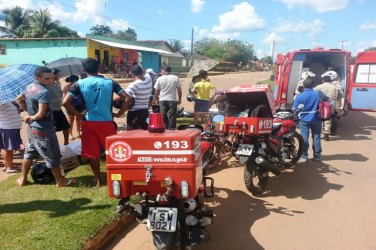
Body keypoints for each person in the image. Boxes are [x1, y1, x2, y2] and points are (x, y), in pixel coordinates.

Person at [63, 58, 128, 187]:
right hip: (107, 122)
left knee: (93, 154)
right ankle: (116, 178)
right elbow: (127, 98)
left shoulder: (78, 84)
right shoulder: (110, 82)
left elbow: (65, 102)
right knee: (112, 151)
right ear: (99, 68)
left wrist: (79, 115)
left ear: (83, 69)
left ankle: (98, 180)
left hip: (89, 122)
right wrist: (120, 114)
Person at [15, 66, 77, 187]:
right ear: (37, 77)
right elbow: (41, 114)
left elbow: (19, 99)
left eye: (51, 78)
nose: (50, 81)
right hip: (43, 129)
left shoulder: (29, 87)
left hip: (32, 128)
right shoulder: (43, 92)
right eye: (47, 79)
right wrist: (32, 116)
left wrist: (29, 113)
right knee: (51, 155)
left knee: (30, 152)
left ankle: (22, 179)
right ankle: (60, 180)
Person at [293, 78, 322, 162]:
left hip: (304, 120)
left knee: (304, 138)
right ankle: (317, 156)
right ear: (313, 85)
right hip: (316, 118)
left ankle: (304, 156)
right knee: (316, 137)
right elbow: (329, 103)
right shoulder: (318, 94)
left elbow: (294, 109)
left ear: (304, 86)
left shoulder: (300, 96)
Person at [314, 71, 344, 140]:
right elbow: (341, 95)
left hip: (320, 104)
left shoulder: (318, 87)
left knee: (320, 118)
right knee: (328, 117)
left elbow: (314, 95)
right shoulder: (336, 87)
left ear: (323, 80)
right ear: (331, 80)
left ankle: (320, 133)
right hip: (331, 105)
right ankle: (326, 132)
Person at [154, 65, 182, 130]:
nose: (161, 72)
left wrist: (156, 99)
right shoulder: (175, 78)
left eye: (161, 70)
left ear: (164, 70)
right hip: (172, 99)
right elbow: (179, 90)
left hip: (162, 99)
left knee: (163, 115)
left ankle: (165, 127)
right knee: (172, 115)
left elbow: (157, 91)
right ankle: (171, 128)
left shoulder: (159, 78)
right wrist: (179, 99)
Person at [125, 65, 153, 130]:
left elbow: (124, 96)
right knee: (146, 133)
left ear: (132, 74)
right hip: (145, 111)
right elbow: (146, 72)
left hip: (134, 113)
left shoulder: (134, 85)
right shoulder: (149, 80)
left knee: (132, 135)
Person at [48, 68, 71, 145]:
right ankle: (53, 146)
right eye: (58, 74)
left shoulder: (58, 83)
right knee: (52, 130)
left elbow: (59, 92)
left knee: (66, 127)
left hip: (58, 109)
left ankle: (66, 143)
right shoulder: (47, 84)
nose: (59, 76)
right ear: (53, 74)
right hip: (51, 110)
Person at [0, 102, 22, 173]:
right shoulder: (2, 100)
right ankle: (9, 167)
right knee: (8, 149)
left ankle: (7, 165)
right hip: (7, 127)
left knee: (6, 148)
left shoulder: (6, 100)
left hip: (9, 127)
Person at [62, 75, 84, 140]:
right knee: (70, 120)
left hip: (79, 105)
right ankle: (70, 134)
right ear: (76, 80)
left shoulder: (79, 86)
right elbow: (65, 98)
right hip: (70, 106)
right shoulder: (66, 88)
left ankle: (78, 133)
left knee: (78, 118)